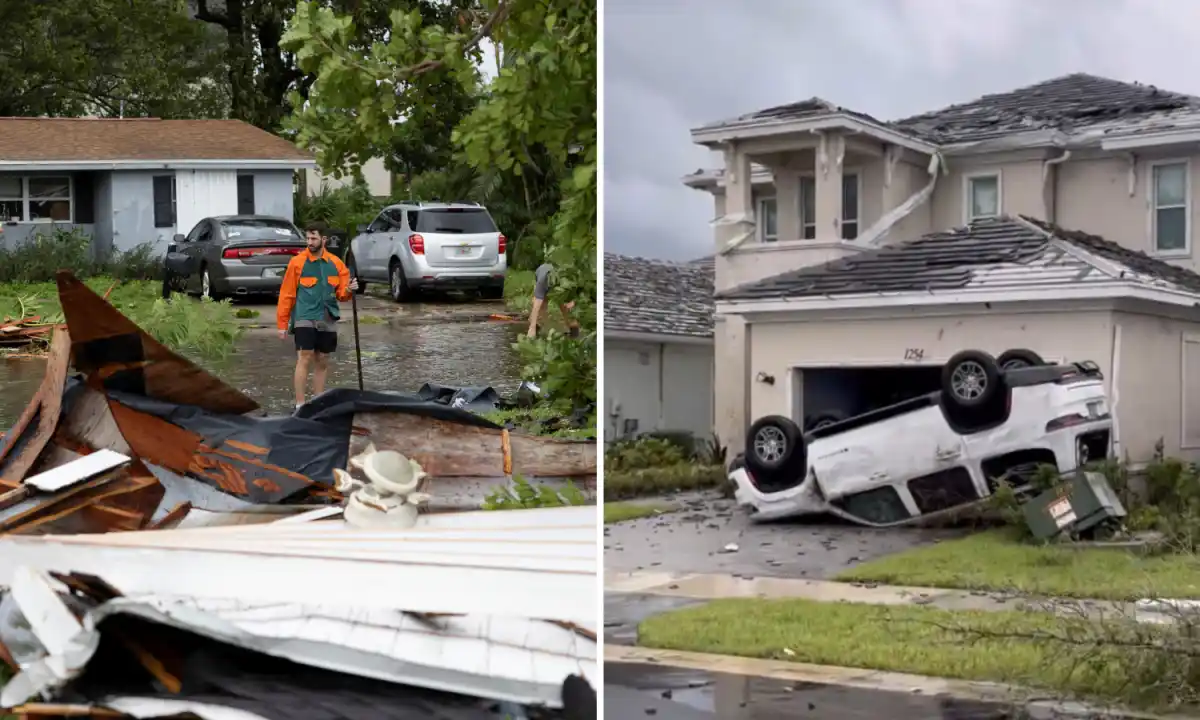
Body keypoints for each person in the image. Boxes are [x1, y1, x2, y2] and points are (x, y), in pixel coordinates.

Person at [276, 222, 358, 409]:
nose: (310, 242)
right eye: (308, 238)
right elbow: (286, 295)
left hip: (327, 316)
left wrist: (350, 289)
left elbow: (342, 294)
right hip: (304, 316)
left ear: (324, 239)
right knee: (305, 356)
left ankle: (318, 403)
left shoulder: (336, 264)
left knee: (322, 360)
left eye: (313, 238)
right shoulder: (296, 263)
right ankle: (300, 405)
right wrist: (282, 325)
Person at [527, 262, 580, 338]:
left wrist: (573, 301)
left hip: (559, 284)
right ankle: (534, 330)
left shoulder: (566, 279)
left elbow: (580, 290)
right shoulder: (542, 282)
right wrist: (532, 328)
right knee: (541, 307)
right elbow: (536, 306)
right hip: (542, 274)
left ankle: (573, 333)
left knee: (566, 308)